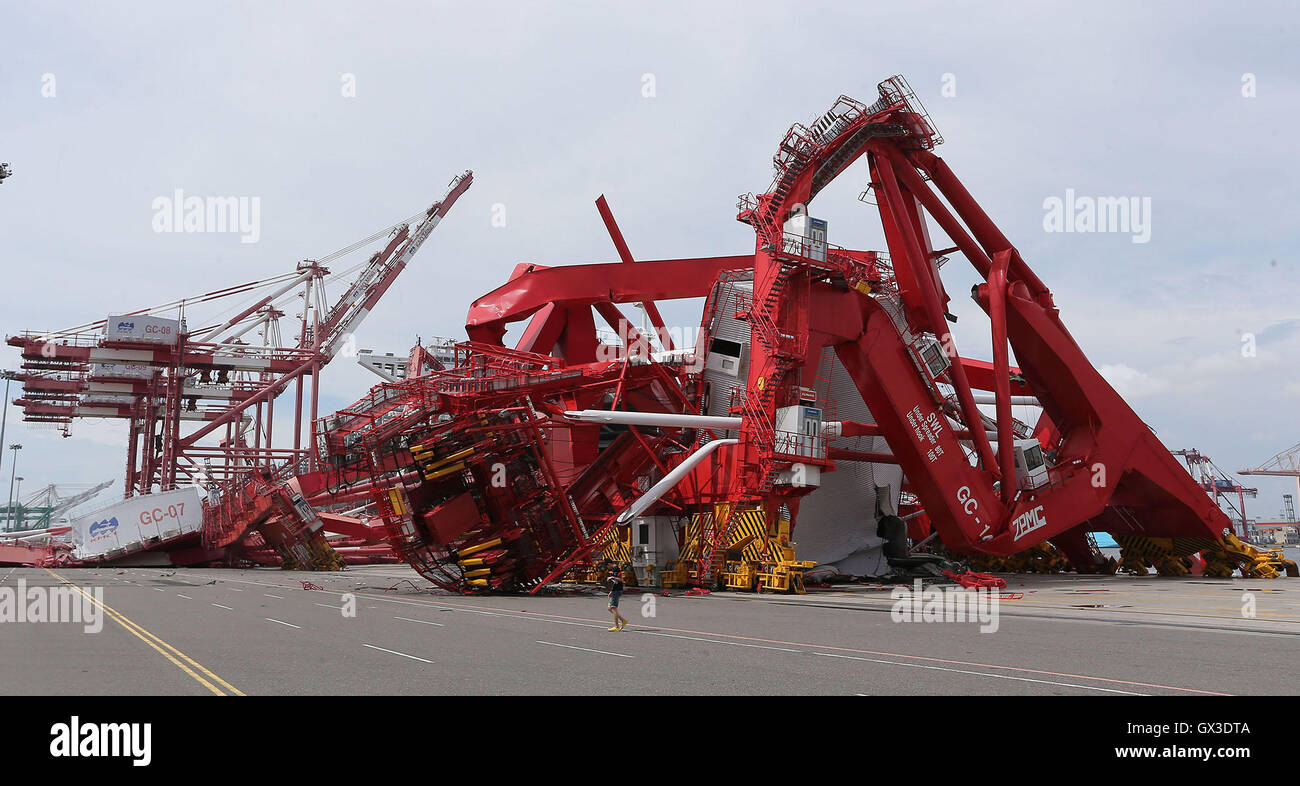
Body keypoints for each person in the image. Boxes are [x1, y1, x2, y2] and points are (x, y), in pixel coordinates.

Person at [606, 567, 628, 631]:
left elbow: (621, 580)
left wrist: (613, 577)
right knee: (609, 608)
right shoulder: (613, 572)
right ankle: (623, 620)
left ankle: (616, 626)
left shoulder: (619, 573)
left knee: (613, 608)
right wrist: (611, 592)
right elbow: (615, 584)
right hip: (614, 591)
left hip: (617, 592)